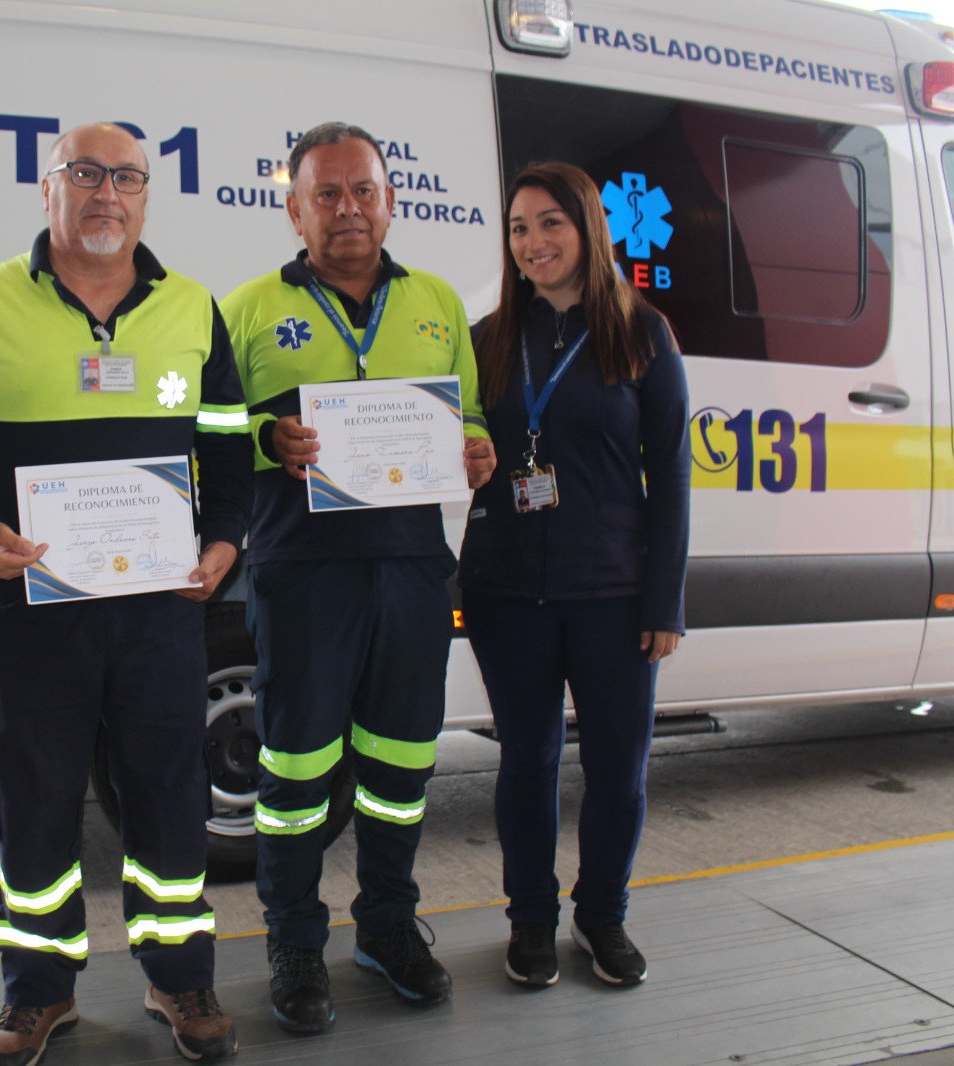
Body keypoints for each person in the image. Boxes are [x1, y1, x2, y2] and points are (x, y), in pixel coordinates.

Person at [0, 122, 252, 1065]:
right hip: (31, 614)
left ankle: (179, 978)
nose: (106, 193)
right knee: (33, 796)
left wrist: (223, 539)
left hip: (159, 613)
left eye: (125, 177)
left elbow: (227, 445)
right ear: (47, 189)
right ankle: (37, 993)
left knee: (170, 796)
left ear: (145, 196)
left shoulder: (194, 308)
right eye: (85, 174)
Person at [220, 121, 495, 1033]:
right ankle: (294, 940)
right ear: (294, 207)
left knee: (401, 764)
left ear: (391, 199)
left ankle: (386, 924)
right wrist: (266, 437)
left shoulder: (439, 303)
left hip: (415, 568)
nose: (348, 209)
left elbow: (477, 416)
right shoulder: (249, 307)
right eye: (327, 194)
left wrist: (479, 448)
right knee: (296, 772)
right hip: (301, 572)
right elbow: (208, 433)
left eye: (364, 190)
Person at [460, 161, 690, 990]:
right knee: (526, 757)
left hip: (614, 592)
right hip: (504, 589)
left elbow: (669, 473)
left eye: (550, 223)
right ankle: (530, 919)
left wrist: (665, 599)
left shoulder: (641, 331)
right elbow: (450, 450)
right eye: (520, 228)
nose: (534, 243)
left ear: (588, 228)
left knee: (619, 766)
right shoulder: (485, 339)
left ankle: (602, 917)